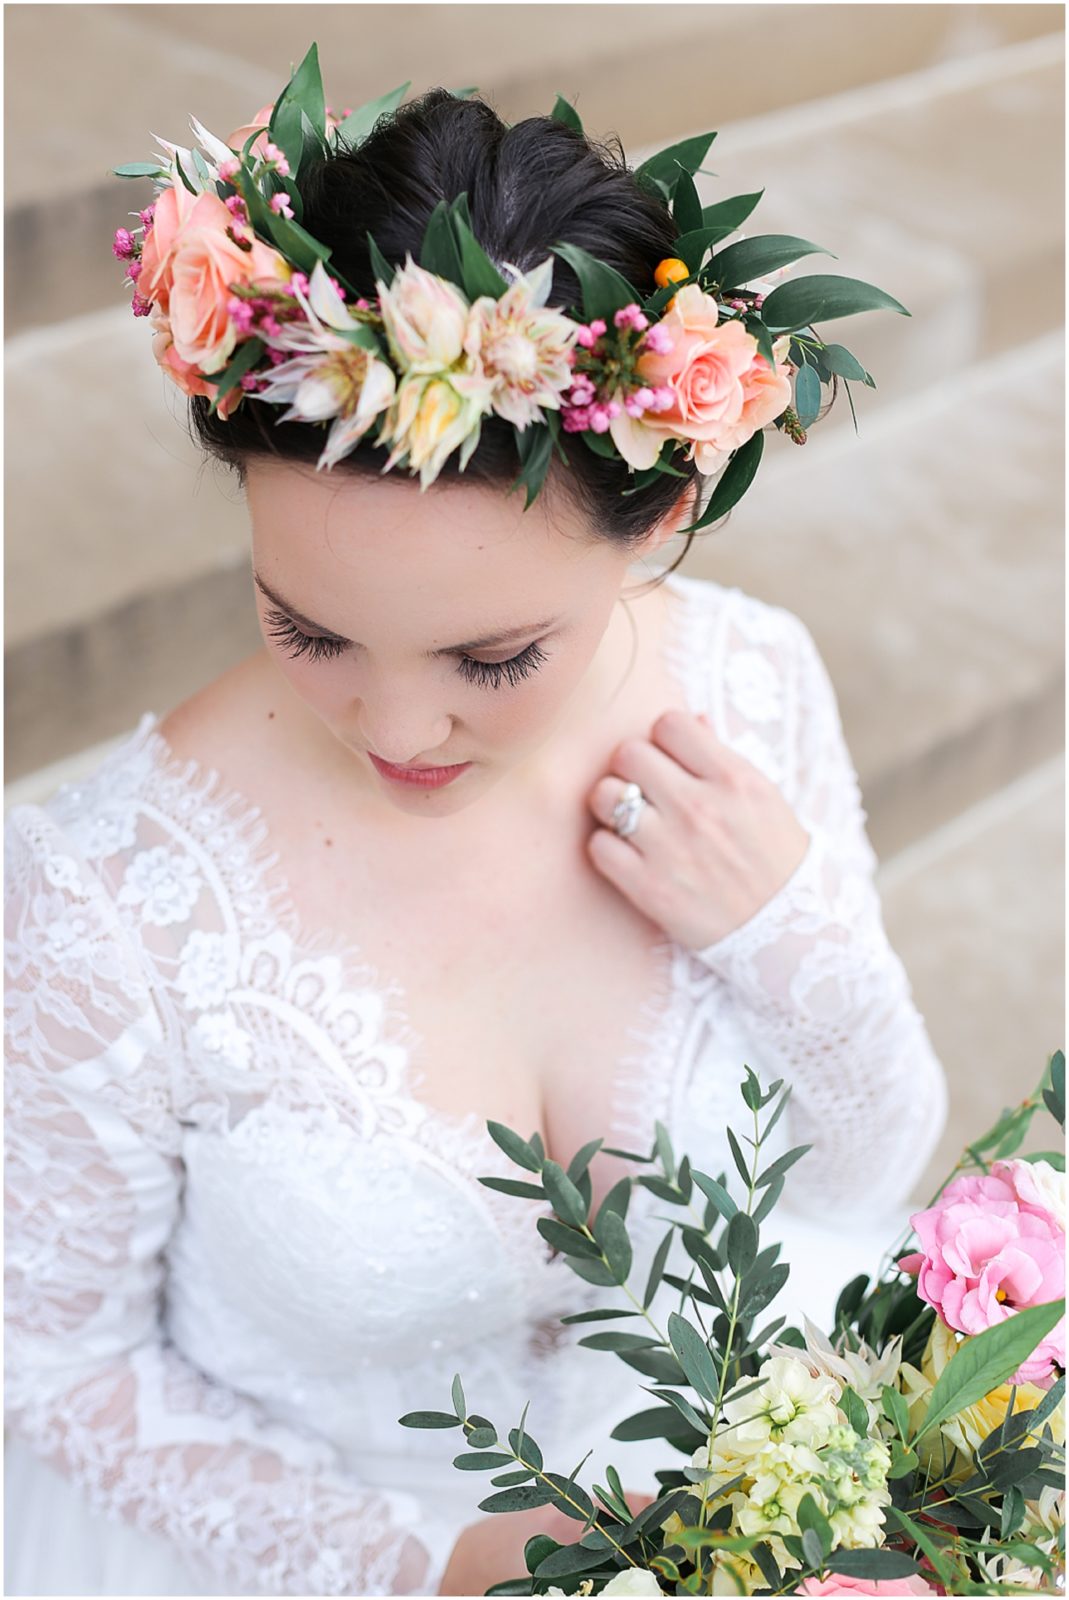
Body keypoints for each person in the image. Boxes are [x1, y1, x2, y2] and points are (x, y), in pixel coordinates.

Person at [4, 82, 948, 1597]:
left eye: (490, 660)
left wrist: (785, 933)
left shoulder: (751, 684)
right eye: (303, 627)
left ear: (660, 515)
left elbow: (864, 1174)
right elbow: (54, 1369)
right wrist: (428, 1563)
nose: (393, 731)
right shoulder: (102, 900)